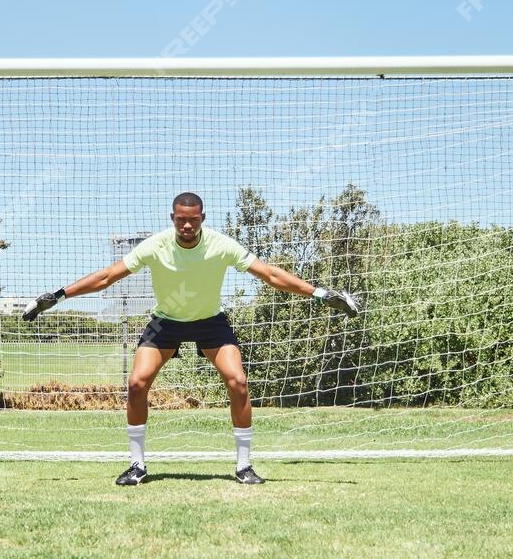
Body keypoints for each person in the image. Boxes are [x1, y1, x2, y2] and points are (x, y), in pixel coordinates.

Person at [24, 191, 361, 486]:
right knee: (137, 383)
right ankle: (137, 465)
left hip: (210, 323)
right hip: (165, 324)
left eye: (193, 220)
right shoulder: (155, 245)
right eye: (181, 220)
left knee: (238, 382)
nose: (187, 226)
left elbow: (270, 274)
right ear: (173, 219)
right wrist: (58, 295)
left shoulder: (221, 244)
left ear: (202, 218)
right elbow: (108, 276)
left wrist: (318, 293)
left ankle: (244, 466)